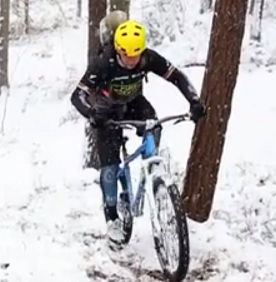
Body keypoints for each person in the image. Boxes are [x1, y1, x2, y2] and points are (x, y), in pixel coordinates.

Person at [70, 19, 206, 244]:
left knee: (154, 123)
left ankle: (153, 171)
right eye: (127, 56)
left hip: (134, 103)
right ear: (118, 50)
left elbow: (177, 76)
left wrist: (194, 101)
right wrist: (92, 114)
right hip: (107, 112)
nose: (132, 61)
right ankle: (112, 217)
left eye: (136, 56)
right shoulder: (103, 63)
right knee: (111, 167)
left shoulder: (148, 58)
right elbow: (78, 96)